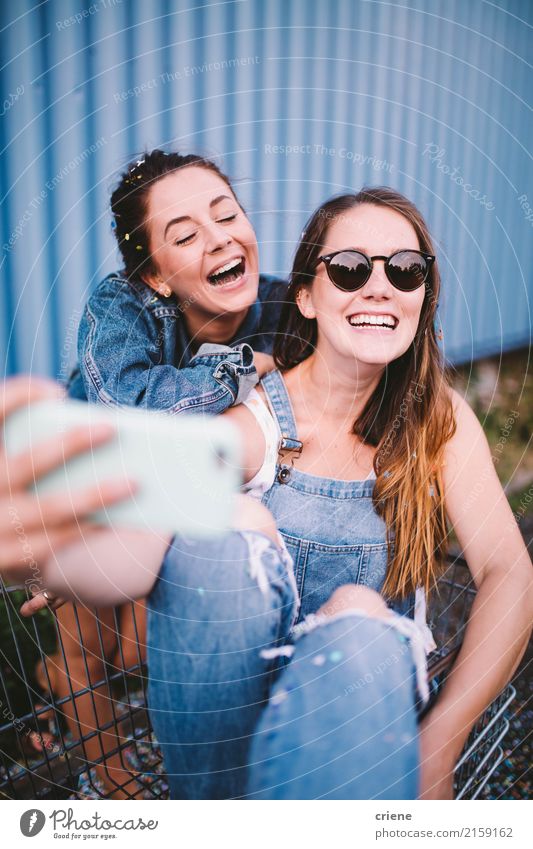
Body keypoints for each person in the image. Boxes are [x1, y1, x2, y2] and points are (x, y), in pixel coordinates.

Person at [23, 189, 533, 799]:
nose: (379, 287)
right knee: (227, 531)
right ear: (306, 298)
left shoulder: (434, 419)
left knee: (357, 618)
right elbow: (159, 498)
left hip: (355, 727)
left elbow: (509, 570)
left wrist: (440, 743)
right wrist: (63, 538)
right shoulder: (255, 421)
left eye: (405, 269)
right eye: (349, 269)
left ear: (423, 296)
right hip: (232, 733)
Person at [23, 149, 288, 798]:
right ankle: (111, 777)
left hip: (183, 490)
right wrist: (244, 366)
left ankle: (61, 682)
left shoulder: (282, 306)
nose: (219, 235)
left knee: (137, 650)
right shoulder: (120, 305)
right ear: (155, 277)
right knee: (92, 643)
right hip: (90, 476)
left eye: (226, 214)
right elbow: (130, 404)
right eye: (186, 233)